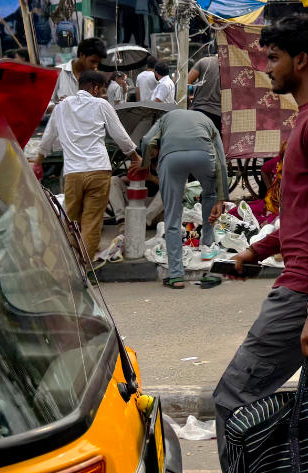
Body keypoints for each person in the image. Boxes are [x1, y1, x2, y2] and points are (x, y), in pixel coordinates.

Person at [215, 15, 308, 470]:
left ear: (300, 61)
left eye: (274, 58)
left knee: (233, 398)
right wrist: (255, 250)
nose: (268, 67)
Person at [34, 70, 142, 264]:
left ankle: (72, 263)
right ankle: (84, 267)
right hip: (98, 169)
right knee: (92, 222)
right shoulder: (101, 105)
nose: (102, 94)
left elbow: (47, 138)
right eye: (101, 90)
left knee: (71, 221)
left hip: (73, 174)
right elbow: (120, 135)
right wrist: (134, 156)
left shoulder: (61, 107)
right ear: (94, 88)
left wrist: (38, 161)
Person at [144, 106, 229, 289]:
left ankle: (176, 275)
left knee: (172, 214)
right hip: (203, 156)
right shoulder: (206, 120)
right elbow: (221, 161)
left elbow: (146, 141)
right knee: (210, 194)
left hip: (171, 158)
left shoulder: (166, 118)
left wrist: (145, 165)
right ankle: (207, 247)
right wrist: (221, 199)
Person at [54, 37, 106, 105]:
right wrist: (60, 106)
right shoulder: (58, 73)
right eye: (93, 61)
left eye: (98, 63)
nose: (95, 66)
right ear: (81, 55)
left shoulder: (96, 78)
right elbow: (46, 104)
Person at [187, 49, 222, 130]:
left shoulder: (204, 61)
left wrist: (191, 98)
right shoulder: (232, 68)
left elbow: (188, 82)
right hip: (218, 115)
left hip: (198, 110)